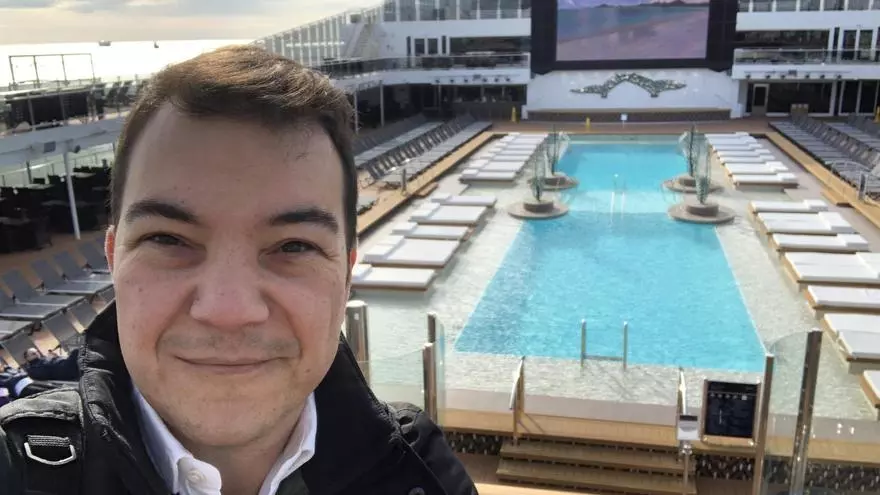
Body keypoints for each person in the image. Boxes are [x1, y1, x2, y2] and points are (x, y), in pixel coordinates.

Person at [0, 45, 476, 495]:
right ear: (114, 260)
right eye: (168, 239)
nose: (228, 311)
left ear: (346, 274)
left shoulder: (421, 471)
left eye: (294, 246)